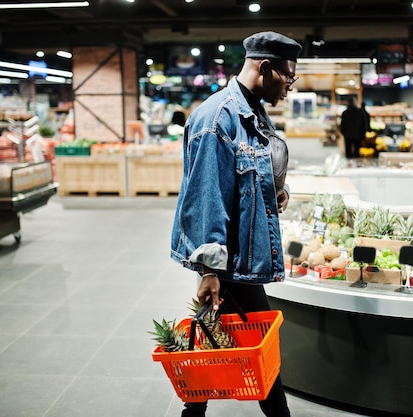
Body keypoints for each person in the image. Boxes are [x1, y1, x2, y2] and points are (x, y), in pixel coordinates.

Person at [170, 31, 301, 417]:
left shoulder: (253, 109)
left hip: (239, 253)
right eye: (288, 77)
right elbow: (207, 197)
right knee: (255, 344)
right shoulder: (215, 119)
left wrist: (277, 192)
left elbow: (251, 169)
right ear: (265, 68)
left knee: (217, 341)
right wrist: (209, 271)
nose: (291, 86)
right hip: (229, 260)